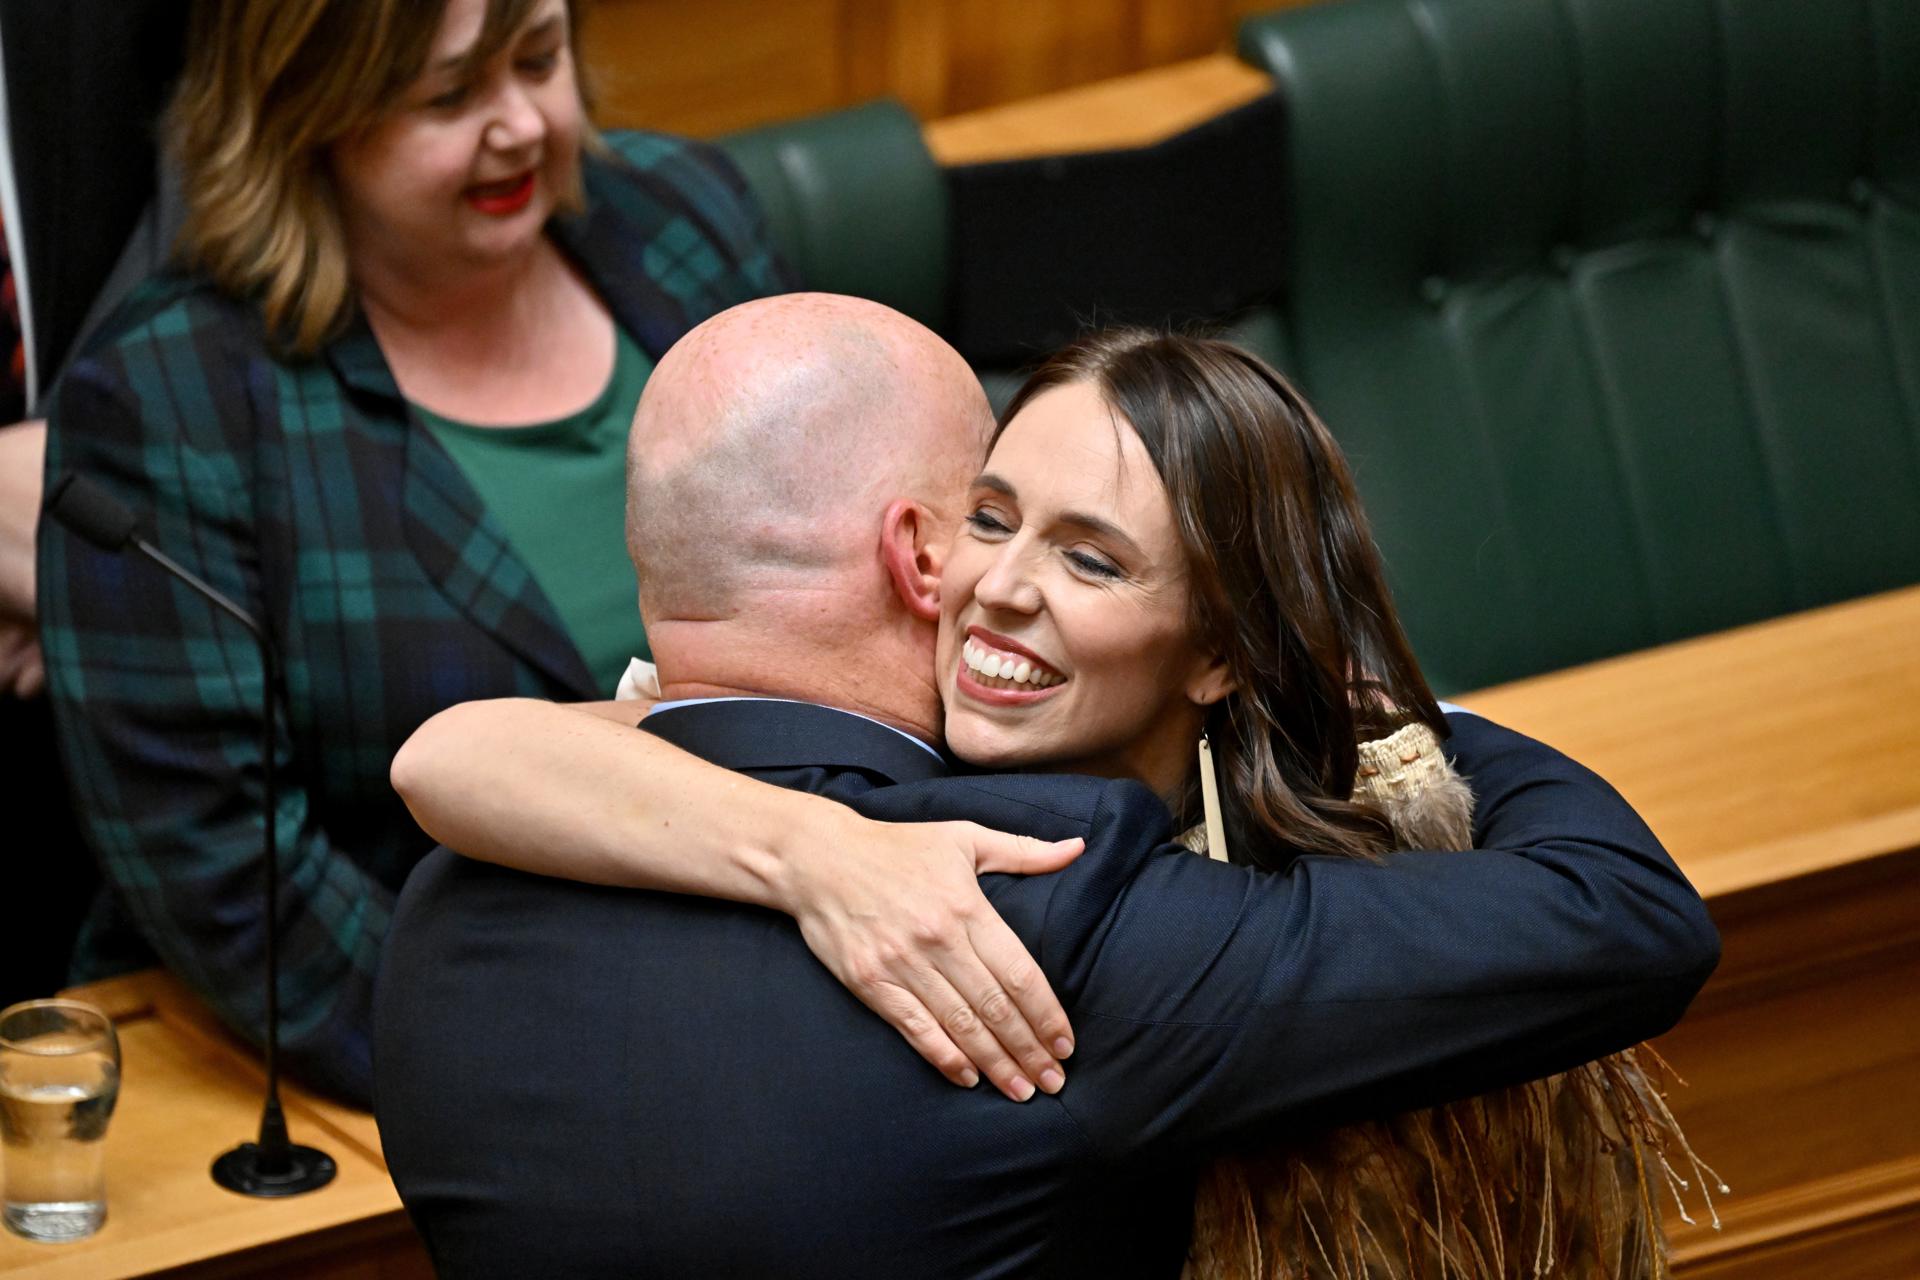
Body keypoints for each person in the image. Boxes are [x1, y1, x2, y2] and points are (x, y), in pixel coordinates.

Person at [374, 294, 1718, 1277]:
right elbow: (1627, 917)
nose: (1003, 584)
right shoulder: (1041, 899)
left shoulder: (448, 909)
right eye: (991, 516)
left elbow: (459, 753)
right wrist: (1349, 694)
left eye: (1089, 553)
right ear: (922, 555)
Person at [36, 0, 803, 1102]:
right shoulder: (170, 397)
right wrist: (567, 1081)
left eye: (540, 58)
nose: (523, 125)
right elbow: (234, 876)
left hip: (784, 982)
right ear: (305, 111)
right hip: (438, 1062)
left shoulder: (683, 216)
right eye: (449, 95)